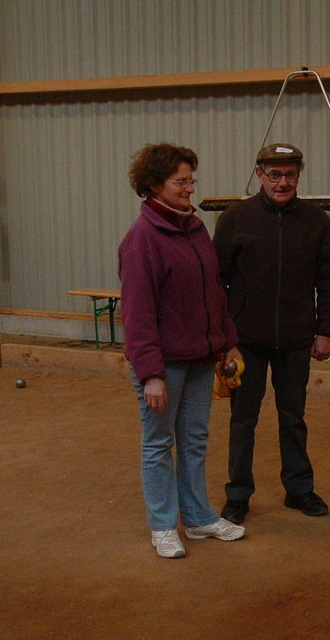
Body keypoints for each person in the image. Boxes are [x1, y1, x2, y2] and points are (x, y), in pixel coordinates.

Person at [119, 143, 245, 558]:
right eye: (181, 182)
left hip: (200, 359)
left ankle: (198, 518)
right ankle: (162, 526)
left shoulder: (196, 229)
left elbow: (214, 294)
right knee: (158, 445)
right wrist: (151, 373)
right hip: (165, 365)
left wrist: (226, 342)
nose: (190, 189)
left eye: (191, 180)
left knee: (194, 441)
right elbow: (137, 316)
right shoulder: (142, 239)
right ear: (154, 185)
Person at [212, 143, 330, 524]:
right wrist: (225, 337)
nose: (282, 182)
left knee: (293, 416)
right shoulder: (235, 218)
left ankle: (299, 489)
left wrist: (326, 330)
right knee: (243, 420)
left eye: (290, 174)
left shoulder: (316, 220)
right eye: (275, 174)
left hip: (297, 339)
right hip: (245, 341)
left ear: (299, 176)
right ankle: (238, 494)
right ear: (259, 175)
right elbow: (215, 282)